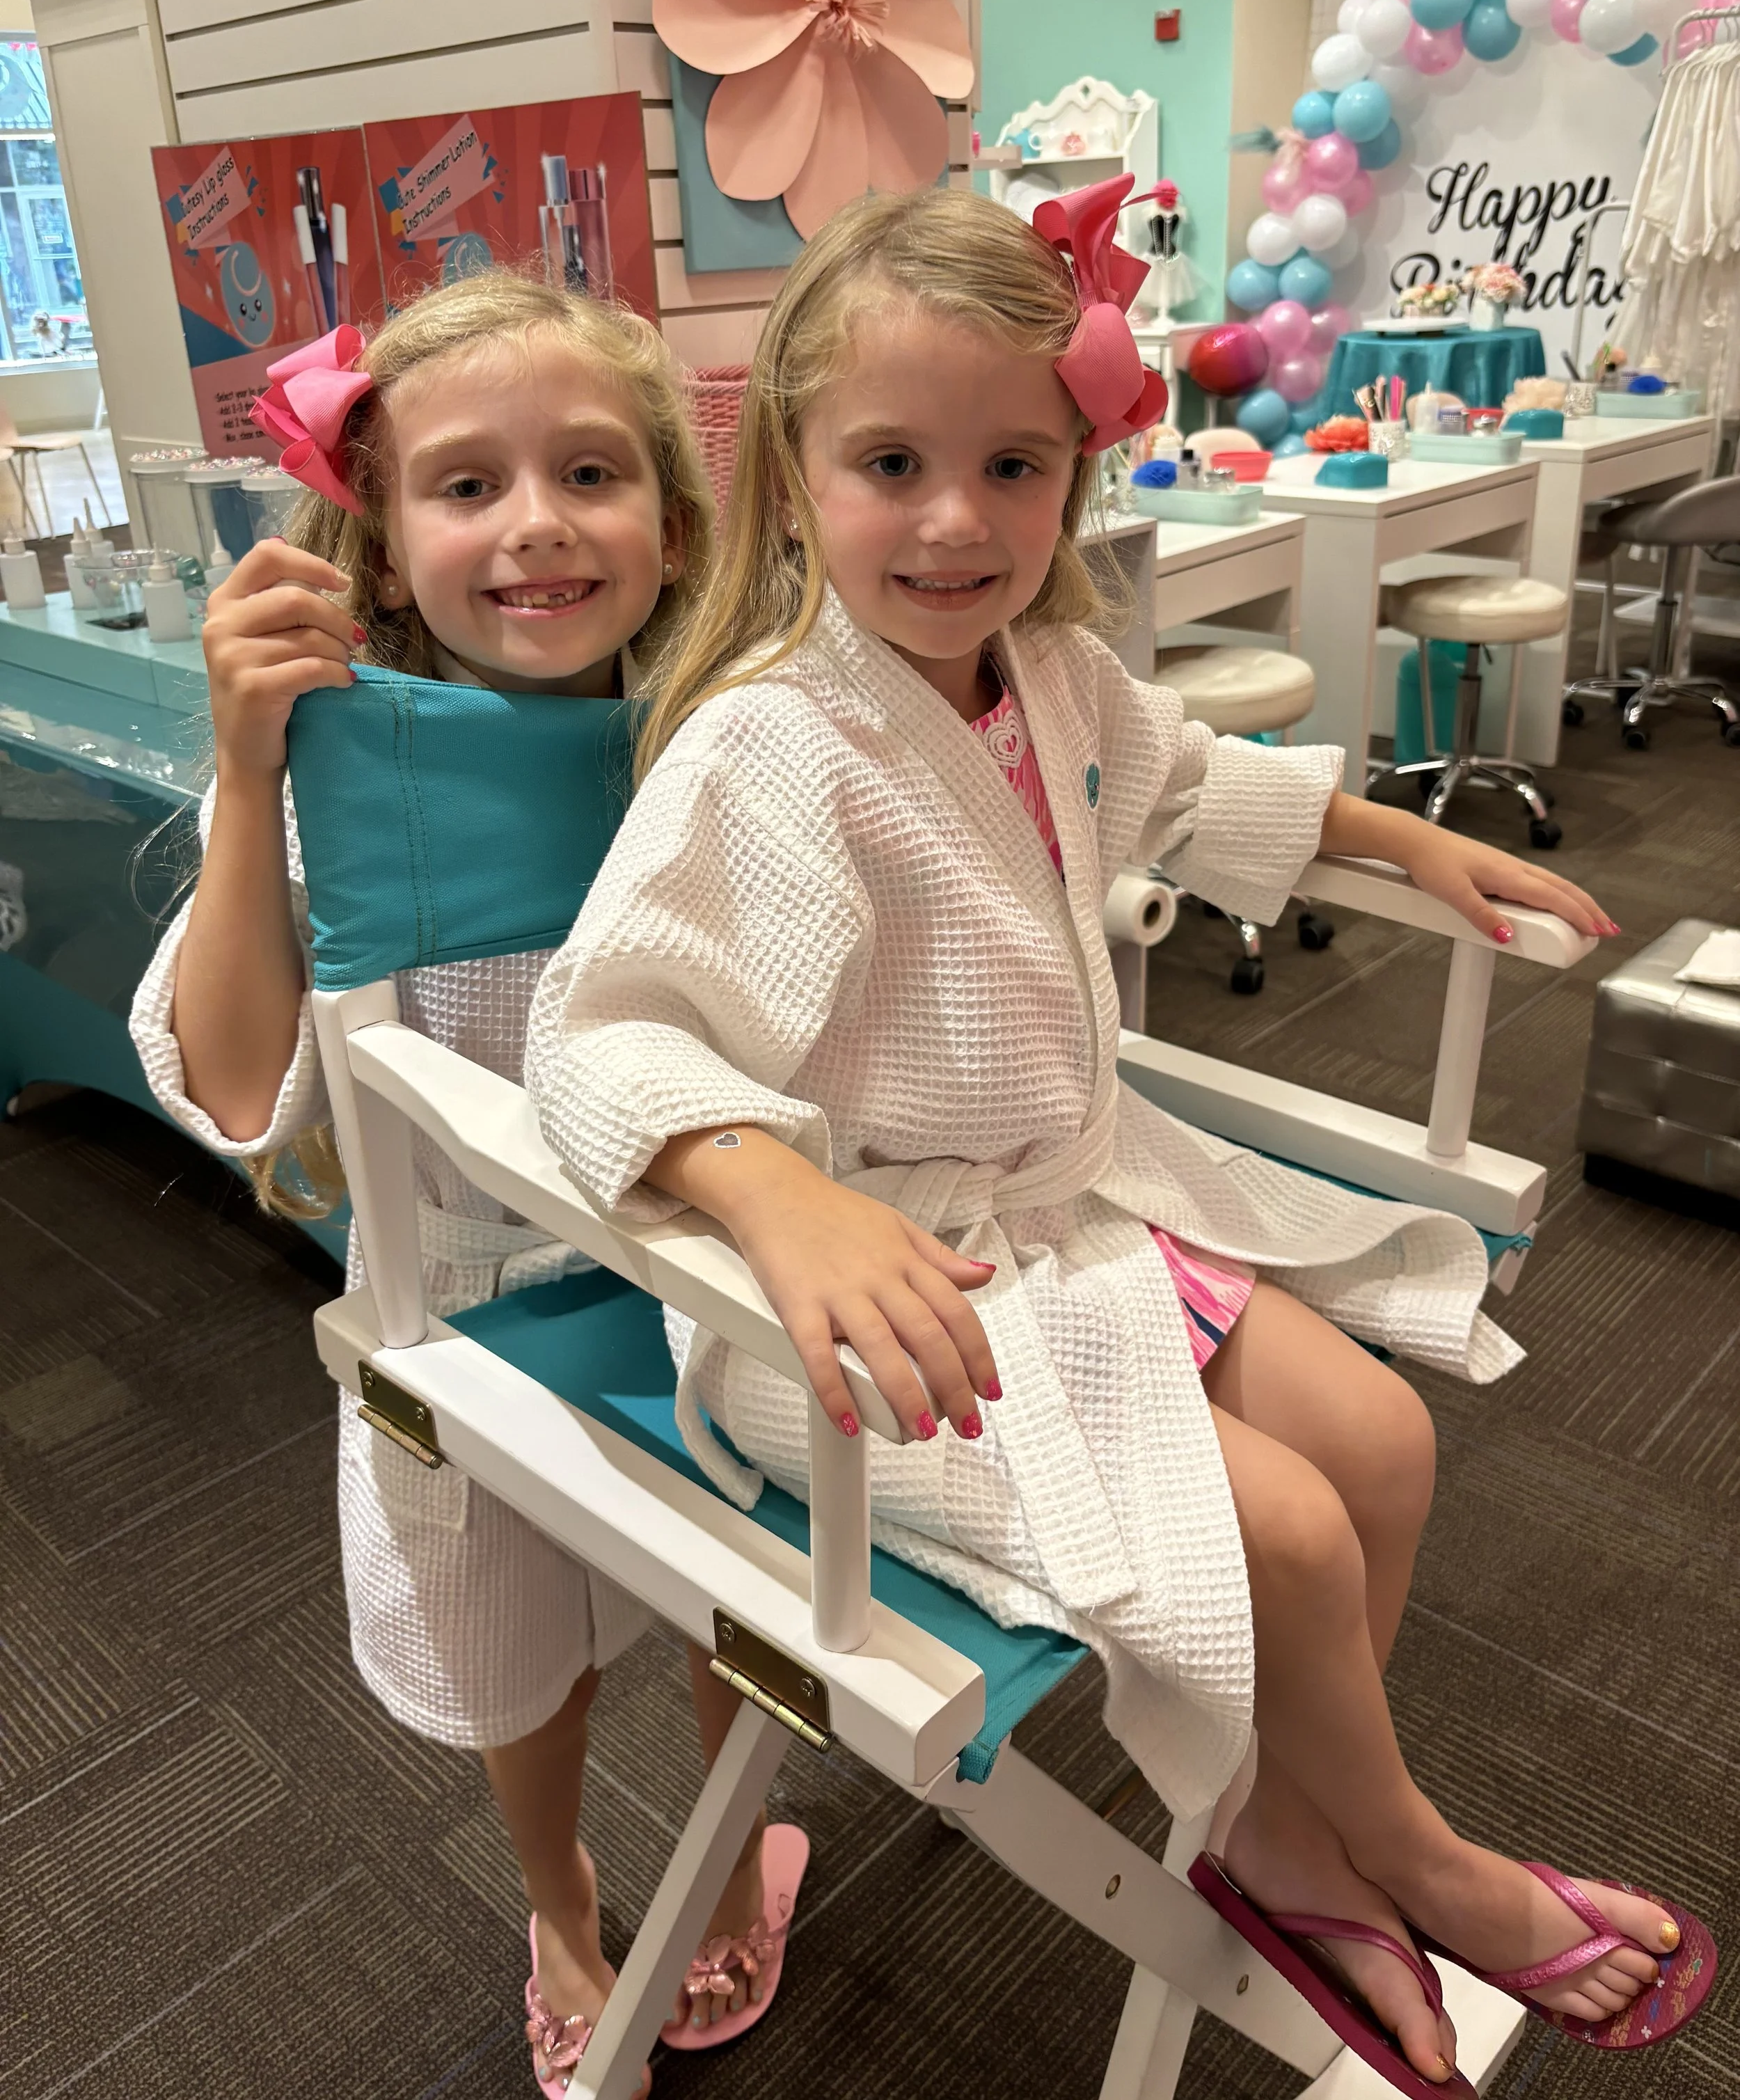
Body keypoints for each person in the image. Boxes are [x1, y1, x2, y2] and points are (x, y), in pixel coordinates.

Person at [525, 183, 1712, 2092]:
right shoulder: (767, 744)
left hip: (1064, 1226)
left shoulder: (1054, 679)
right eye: (893, 463)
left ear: (1073, 474)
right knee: (1293, 1535)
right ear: (795, 475)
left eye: (1013, 465)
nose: (955, 521)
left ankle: (1286, 1826)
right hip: (870, 1304)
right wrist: (775, 1199)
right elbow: (605, 1030)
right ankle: (1410, 1857)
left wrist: (1402, 838)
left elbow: (1189, 784)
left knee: (1384, 1445)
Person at [130, 273, 802, 2097]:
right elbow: (243, 1085)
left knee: (745, 1600)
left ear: (674, 520)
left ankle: (733, 1846)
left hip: (706, 1276)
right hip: (464, 1313)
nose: (535, 526)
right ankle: (559, 1901)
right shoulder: (345, 762)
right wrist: (248, 769)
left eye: (589, 472)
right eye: (466, 485)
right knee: (513, 1652)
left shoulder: (721, 733)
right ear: (380, 530)